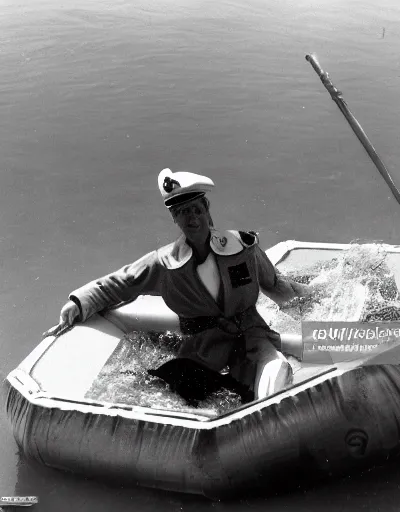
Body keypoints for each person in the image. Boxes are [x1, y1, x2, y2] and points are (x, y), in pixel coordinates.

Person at [47, 168, 311, 401]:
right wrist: (78, 302)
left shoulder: (242, 246)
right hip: (205, 350)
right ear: (174, 218)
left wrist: (312, 298)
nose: (192, 218)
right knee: (165, 385)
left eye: (196, 209)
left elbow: (275, 285)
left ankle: (266, 418)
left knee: (276, 370)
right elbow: (120, 283)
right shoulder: (164, 264)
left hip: (253, 338)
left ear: (207, 209)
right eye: (183, 213)